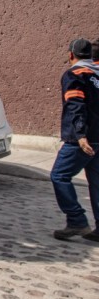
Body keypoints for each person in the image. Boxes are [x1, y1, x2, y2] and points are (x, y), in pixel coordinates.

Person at [50, 38, 99, 242]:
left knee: (59, 176)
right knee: (97, 183)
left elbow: (75, 104)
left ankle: (76, 219)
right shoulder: (96, 75)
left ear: (71, 55)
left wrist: (79, 135)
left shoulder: (74, 74)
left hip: (81, 140)